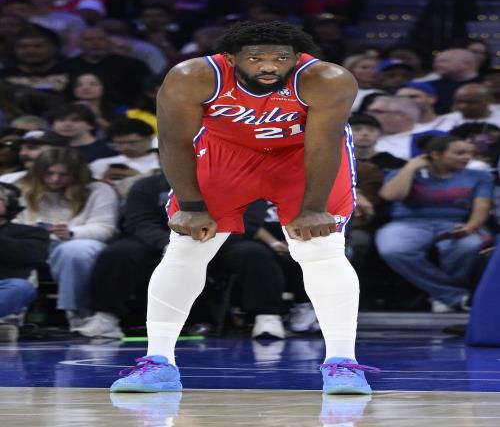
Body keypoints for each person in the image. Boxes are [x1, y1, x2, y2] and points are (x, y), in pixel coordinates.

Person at [110, 21, 377, 395]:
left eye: (280, 58)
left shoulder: (326, 79)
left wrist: (313, 207)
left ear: (296, 57)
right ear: (232, 58)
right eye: (256, 58)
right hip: (226, 152)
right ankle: (158, 363)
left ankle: (343, 364)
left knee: (320, 248)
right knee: (187, 246)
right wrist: (191, 205)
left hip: (302, 155)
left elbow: (324, 144)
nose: (269, 66)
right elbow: (173, 141)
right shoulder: (192, 76)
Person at [376, 135, 493, 313]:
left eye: (469, 153)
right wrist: (409, 168)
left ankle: (445, 298)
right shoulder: (405, 172)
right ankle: (454, 296)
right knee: (393, 249)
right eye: (460, 153)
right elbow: (390, 196)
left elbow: (482, 206)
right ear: (436, 154)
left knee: (469, 246)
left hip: (456, 223)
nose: (467, 157)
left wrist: (471, 226)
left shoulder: (479, 176)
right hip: (407, 223)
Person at [15, 147, 119, 330]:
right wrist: (26, 231)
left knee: (74, 251)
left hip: (77, 242)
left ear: (77, 174)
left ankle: (79, 314)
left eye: (64, 175)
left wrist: (70, 232)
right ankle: (11, 314)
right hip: (30, 243)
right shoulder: (20, 188)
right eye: (49, 173)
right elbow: (9, 223)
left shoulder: (99, 190)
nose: (55, 179)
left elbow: (105, 228)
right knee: (11, 248)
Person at [0, 181, 49, 342]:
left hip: (5, 287)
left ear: (10, 204)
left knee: (21, 287)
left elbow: (30, 256)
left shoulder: (33, 233)